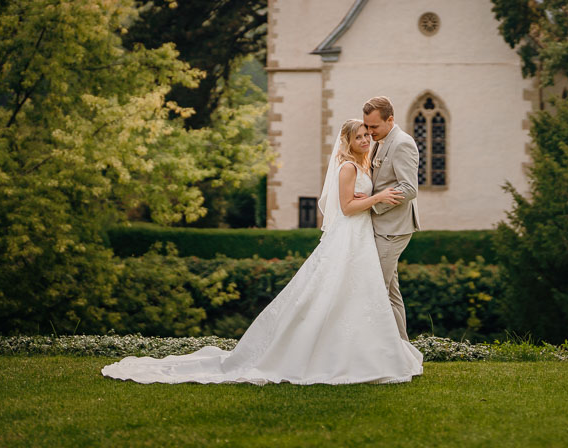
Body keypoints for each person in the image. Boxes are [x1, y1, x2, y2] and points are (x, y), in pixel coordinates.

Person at [101, 118, 423, 385]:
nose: (367, 139)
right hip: (350, 237)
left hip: (360, 239)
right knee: (334, 296)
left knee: (355, 297)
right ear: (348, 141)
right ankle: (332, 356)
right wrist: (378, 199)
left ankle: (366, 353)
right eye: (360, 136)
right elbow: (348, 206)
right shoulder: (347, 168)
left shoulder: (362, 163)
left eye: (368, 134)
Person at [361, 95, 420, 340]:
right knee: (391, 294)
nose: (369, 132)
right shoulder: (381, 140)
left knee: (376, 290)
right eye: (367, 126)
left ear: (390, 120)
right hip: (381, 228)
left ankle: (385, 351)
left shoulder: (402, 143)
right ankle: (402, 348)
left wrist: (373, 205)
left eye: (374, 127)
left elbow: (409, 188)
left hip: (393, 229)